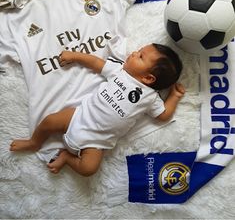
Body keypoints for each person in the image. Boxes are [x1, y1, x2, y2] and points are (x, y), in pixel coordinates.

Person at [10, 43, 185, 176]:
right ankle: (34, 142)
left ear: (148, 78)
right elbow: (95, 62)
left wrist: (173, 97)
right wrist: (75, 56)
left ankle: (66, 158)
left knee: (89, 169)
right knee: (50, 121)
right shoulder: (119, 72)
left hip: (97, 141)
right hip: (79, 116)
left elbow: (163, 115)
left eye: (140, 56)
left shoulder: (150, 98)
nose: (133, 53)